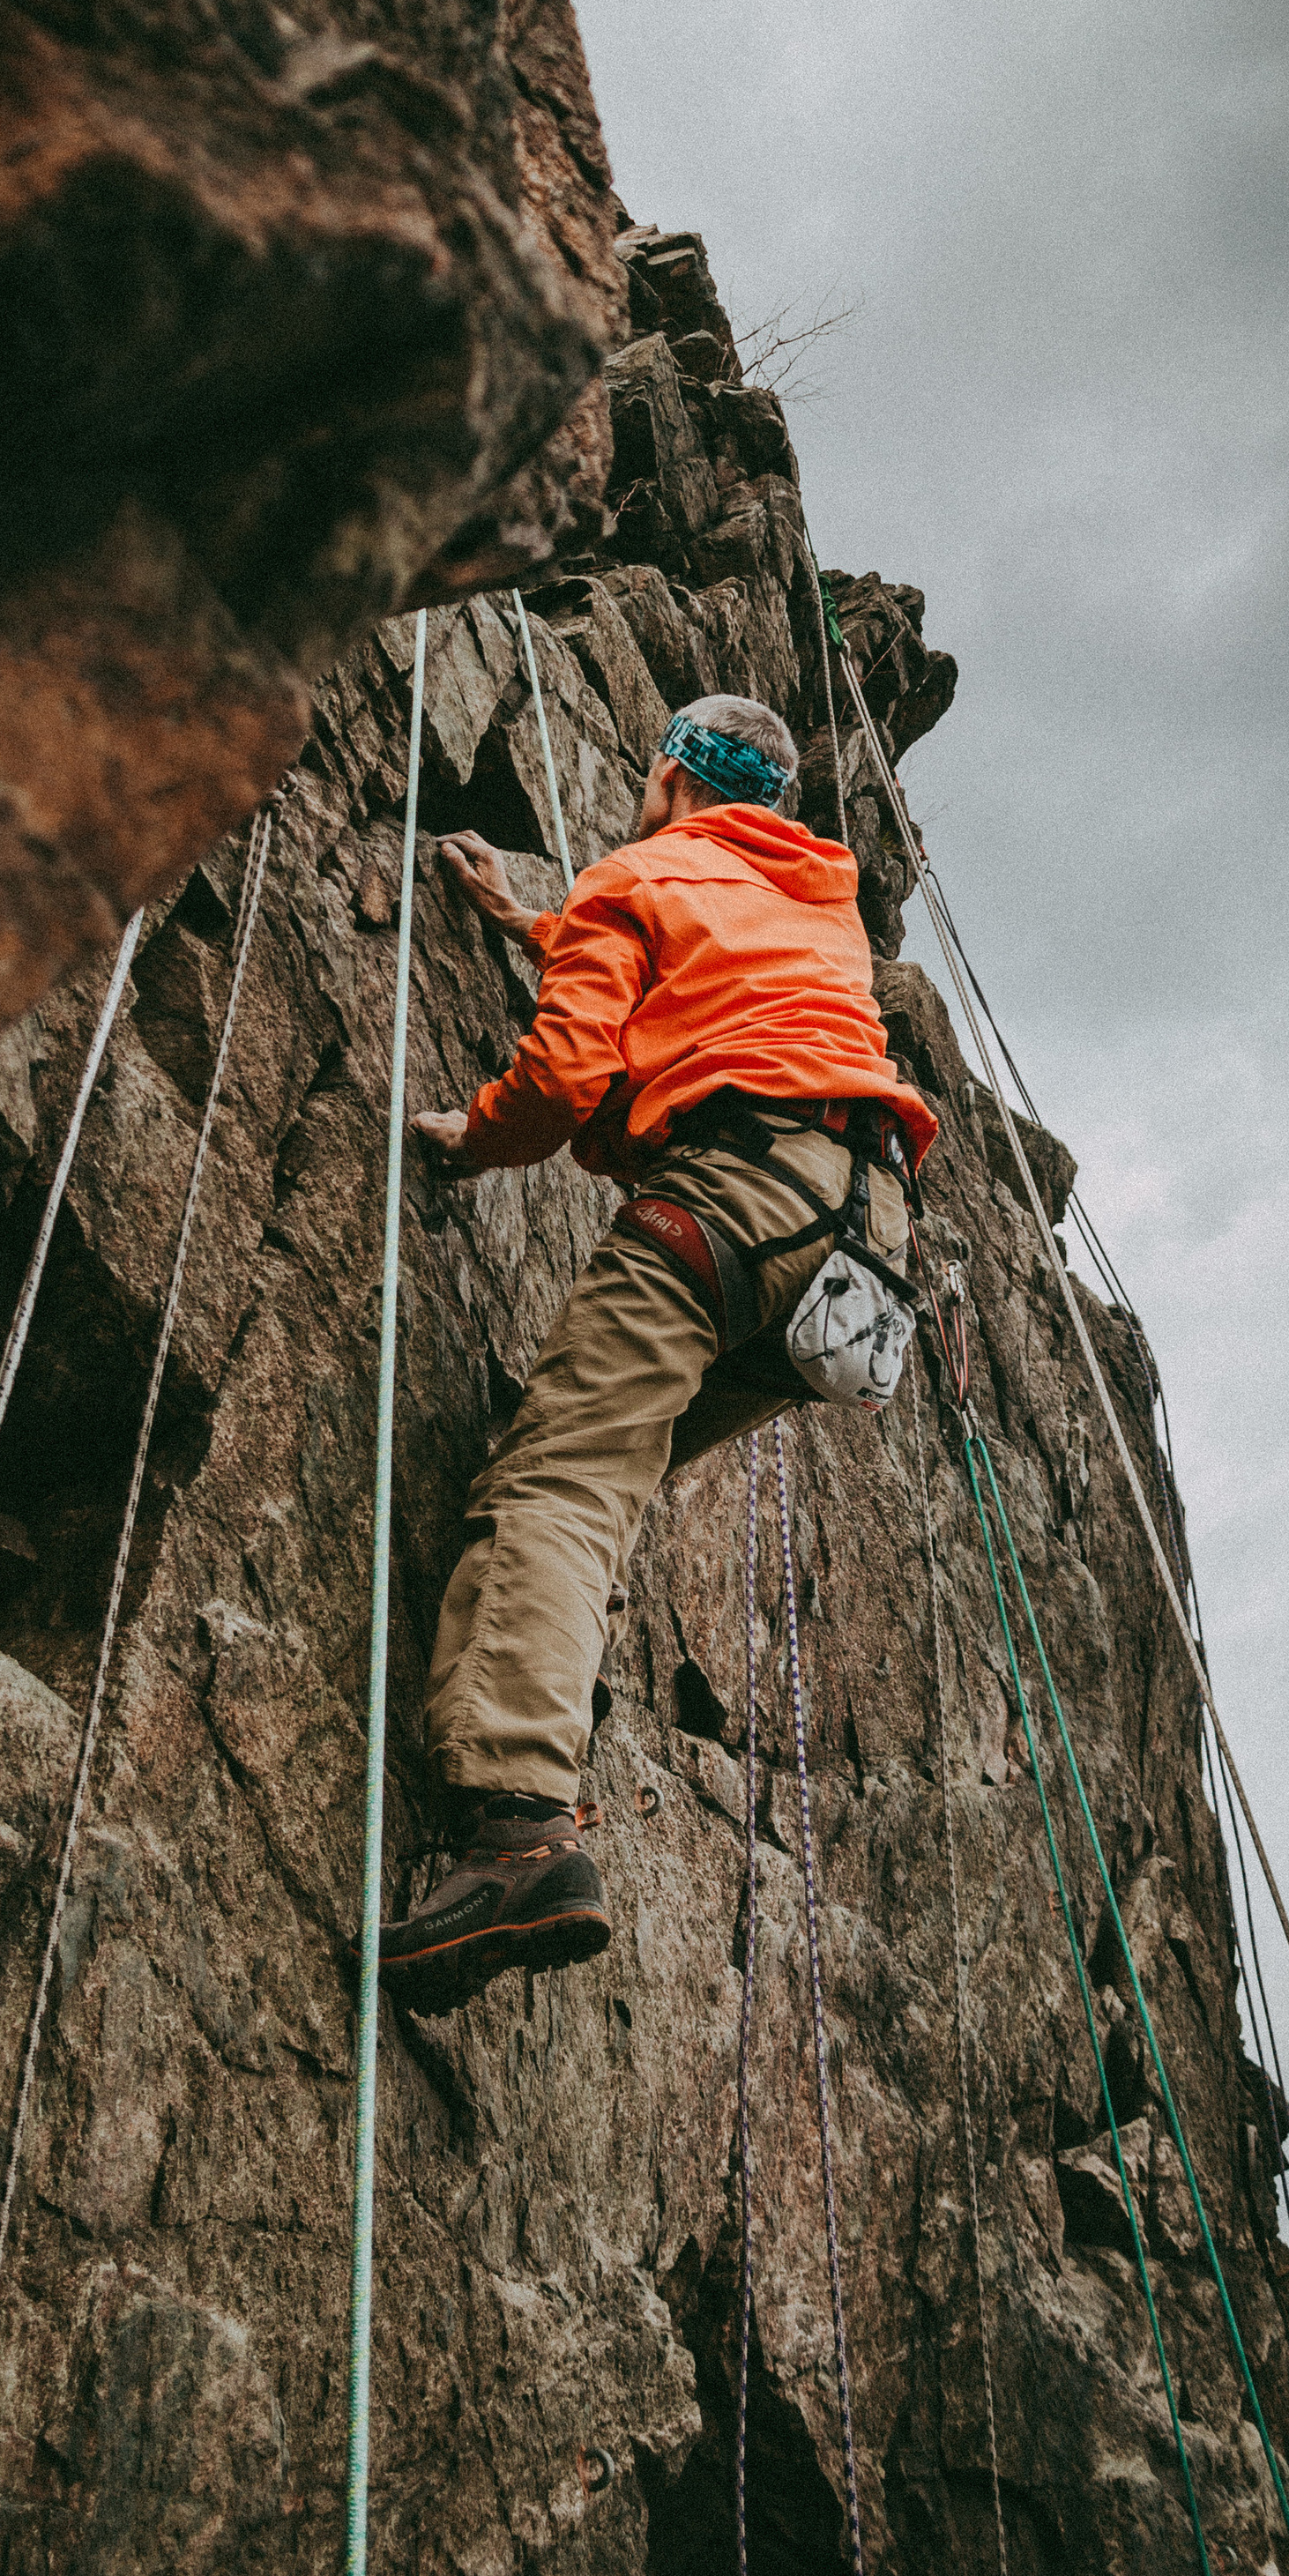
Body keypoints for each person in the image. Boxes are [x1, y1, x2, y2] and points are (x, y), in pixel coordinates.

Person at [378, 693, 938, 2015]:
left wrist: (474, 1137)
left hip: (727, 1198)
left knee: (560, 1479)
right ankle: (546, 1682)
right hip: (860, 1247)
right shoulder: (814, 905)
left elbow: (572, 1073)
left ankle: (518, 1831)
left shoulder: (638, 870)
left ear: (671, 775)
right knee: (609, 1473)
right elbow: (699, 977)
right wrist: (527, 922)